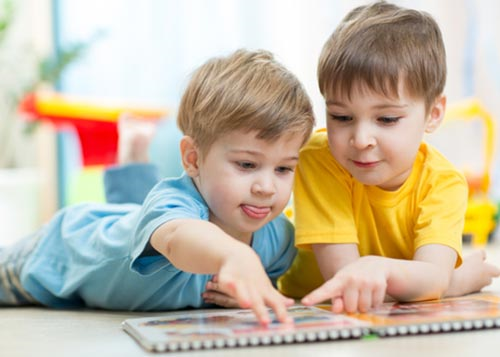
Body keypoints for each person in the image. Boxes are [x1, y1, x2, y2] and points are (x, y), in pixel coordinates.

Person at [0, 49, 315, 325]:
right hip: (59, 255)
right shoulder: (176, 207)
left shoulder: (278, 241)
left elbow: (265, 286)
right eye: (247, 165)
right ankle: (133, 161)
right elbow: (178, 238)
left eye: (283, 168)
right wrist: (235, 257)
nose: (266, 187)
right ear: (193, 159)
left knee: (137, 215)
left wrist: (247, 294)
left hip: (132, 237)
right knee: (143, 218)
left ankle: (133, 158)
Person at [277, 1, 500, 313]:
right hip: (301, 296)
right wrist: (453, 283)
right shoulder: (320, 158)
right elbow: (347, 281)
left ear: (433, 114)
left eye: (386, 120)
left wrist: (431, 280)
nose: (361, 140)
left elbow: (431, 274)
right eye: (341, 117)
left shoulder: (445, 182)